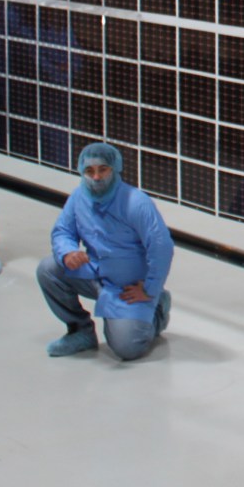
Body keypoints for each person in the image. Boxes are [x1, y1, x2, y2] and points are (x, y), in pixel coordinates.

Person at [36, 142, 174, 360]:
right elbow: (62, 231)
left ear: (115, 168)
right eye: (89, 171)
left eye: (103, 169)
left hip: (127, 286)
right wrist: (68, 253)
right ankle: (81, 331)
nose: (96, 177)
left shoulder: (136, 203)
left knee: (126, 348)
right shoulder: (78, 198)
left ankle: (157, 309)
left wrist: (150, 288)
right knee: (48, 269)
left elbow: (161, 247)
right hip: (95, 273)